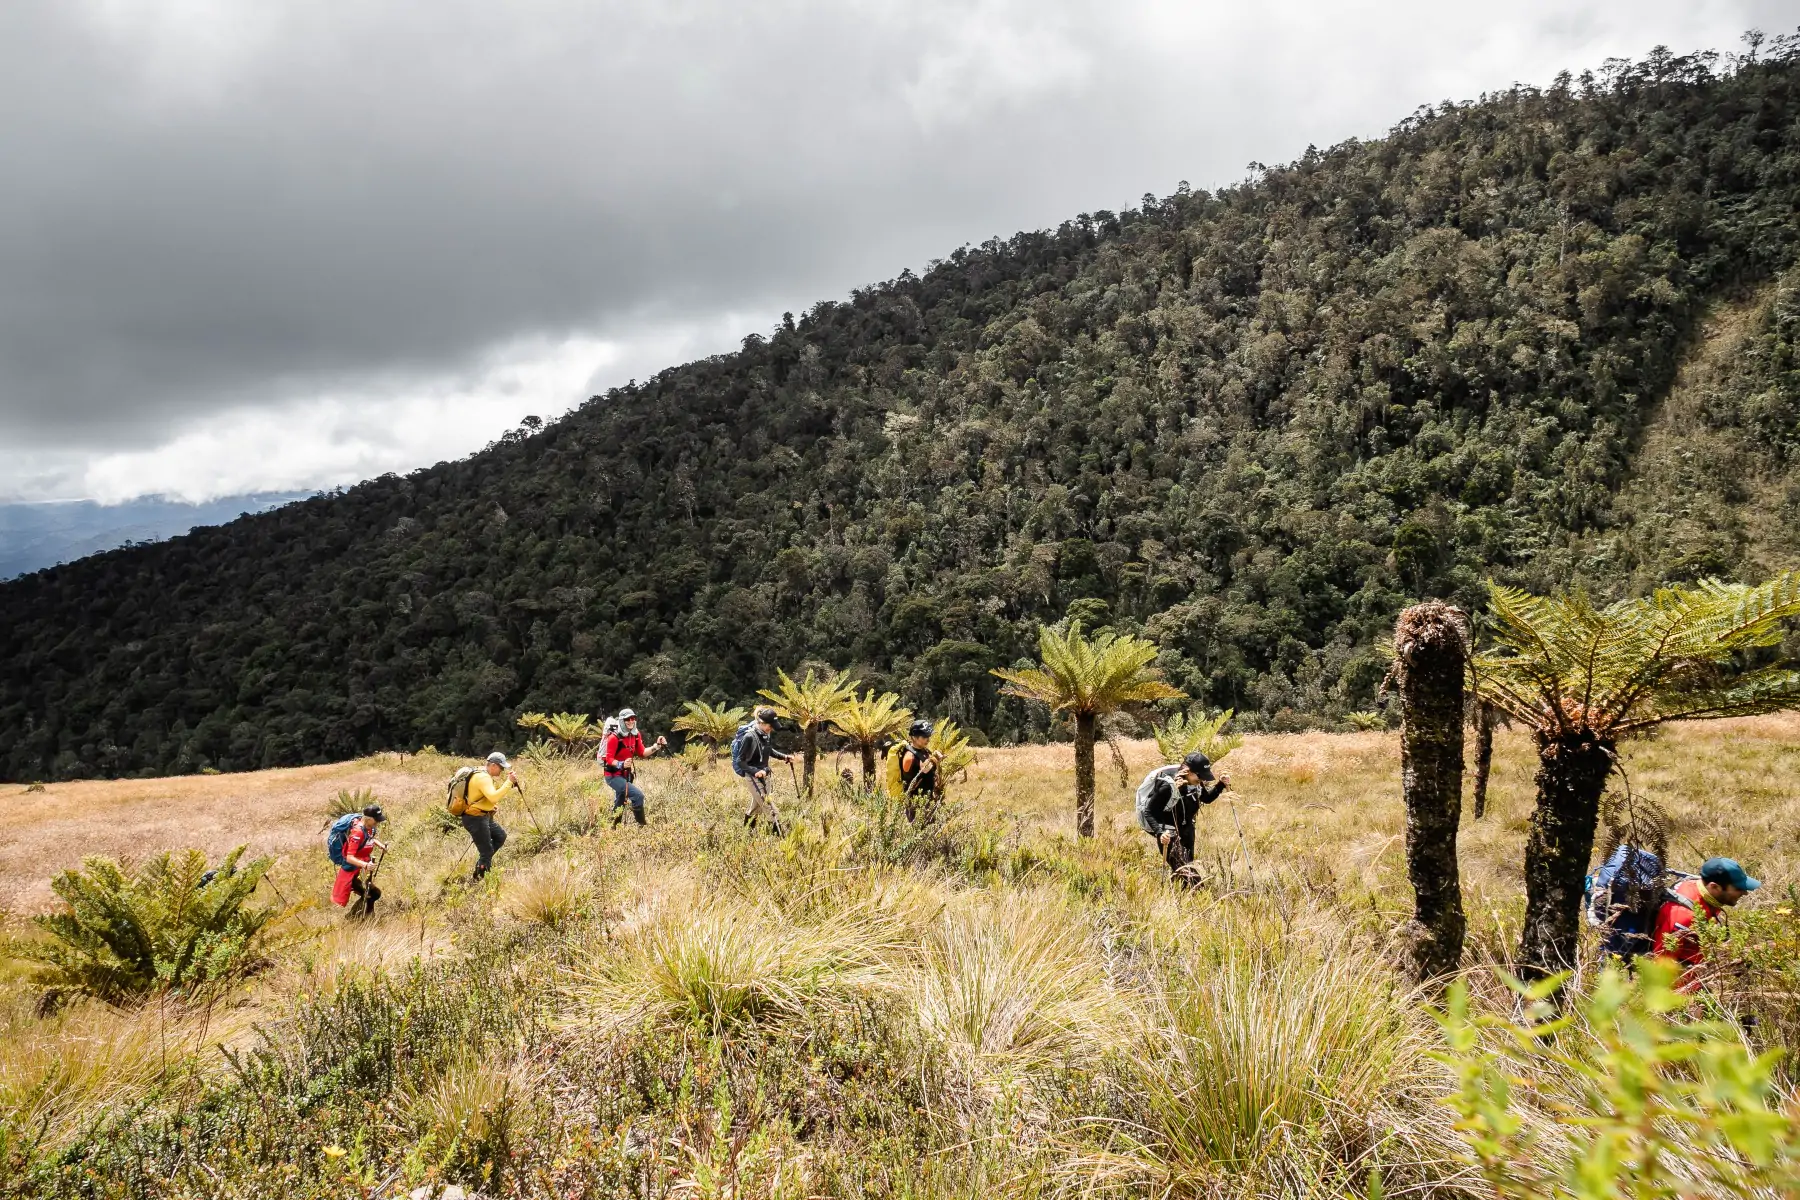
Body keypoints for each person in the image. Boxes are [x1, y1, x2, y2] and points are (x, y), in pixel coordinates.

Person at [1652, 856, 1760, 990]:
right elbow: (1661, 967)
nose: (1745, 893)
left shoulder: (1702, 888)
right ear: (1714, 886)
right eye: (1738, 888)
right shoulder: (1684, 916)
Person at [1135, 751, 1230, 884]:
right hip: (1168, 831)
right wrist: (1160, 833)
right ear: (1187, 771)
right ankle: (1195, 895)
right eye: (1200, 777)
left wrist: (1220, 785)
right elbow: (1149, 812)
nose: (1202, 780)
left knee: (1187, 865)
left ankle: (1181, 896)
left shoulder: (1195, 782)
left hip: (1187, 827)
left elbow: (1206, 798)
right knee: (1185, 871)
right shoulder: (1167, 786)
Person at [600, 708, 667, 826]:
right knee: (638, 795)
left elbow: (642, 753)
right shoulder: (613, 738)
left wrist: (657, 746)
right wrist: (621, 764)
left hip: (626, 775)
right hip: (612, 776)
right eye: (627, 719)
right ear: (622, 720)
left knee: (620, 802)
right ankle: (643, 826)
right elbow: (608, 759)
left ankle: (613, 828)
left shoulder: (635, 735)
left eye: (633, 718)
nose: (631, 721)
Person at [732, 706, 793, 834]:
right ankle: (782, 840)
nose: (771, 729)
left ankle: (747, 834)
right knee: (769, 807)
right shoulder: (749, 737)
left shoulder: (766, 734)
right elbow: (740, 761)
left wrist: (784, 757)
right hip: (753, 776)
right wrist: (755, 771)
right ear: (761, 723)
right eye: (769, 726)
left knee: (756, 807)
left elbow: (769, 750)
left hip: (765, 775)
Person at [463, 752, 519, 880]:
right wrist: (509, 782)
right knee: (487, 851)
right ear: (493, 765)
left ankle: (482, 864)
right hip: (475, 819)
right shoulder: (483, 778)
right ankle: (481, 878)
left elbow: (482, 796)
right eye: (501, 767)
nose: (502, 770)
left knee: (500, 836)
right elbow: (494, 797)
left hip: (482, 816)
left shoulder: (482, 774)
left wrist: (488, 807)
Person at [328, 804, 387, 910]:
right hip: (351, 870)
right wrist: (365, 865)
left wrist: (380, 845)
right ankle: (356, 916)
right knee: (372, 894)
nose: (378, 823)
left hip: (360, 868)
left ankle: (362, 916)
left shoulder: (369, 828)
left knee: (371, 894)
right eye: (376, 820)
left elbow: (370, 838)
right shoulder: (357, 832)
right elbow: (349, 857)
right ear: (368, 819)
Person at [891, 719, 943, 820]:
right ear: (914, 737)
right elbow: (920, 772)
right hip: (915, 805)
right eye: (924, 736)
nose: (928, 739)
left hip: (928, 801)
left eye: (928, 736)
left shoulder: (924, 751)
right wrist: (934, 760)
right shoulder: (909, 757)